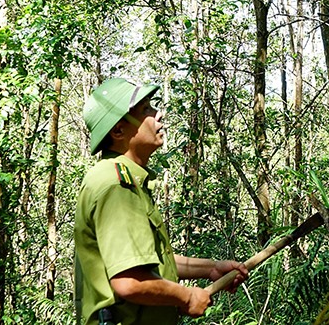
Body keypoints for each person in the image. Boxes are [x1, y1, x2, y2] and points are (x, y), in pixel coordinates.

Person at [74, 77, 248, 325]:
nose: (158, 114)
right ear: (118, 131)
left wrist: (211, 268)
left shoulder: (123, 180)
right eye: (146, 109)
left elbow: (145, 261)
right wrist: (186, 296)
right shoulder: (116, 185)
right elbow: (130, 282)